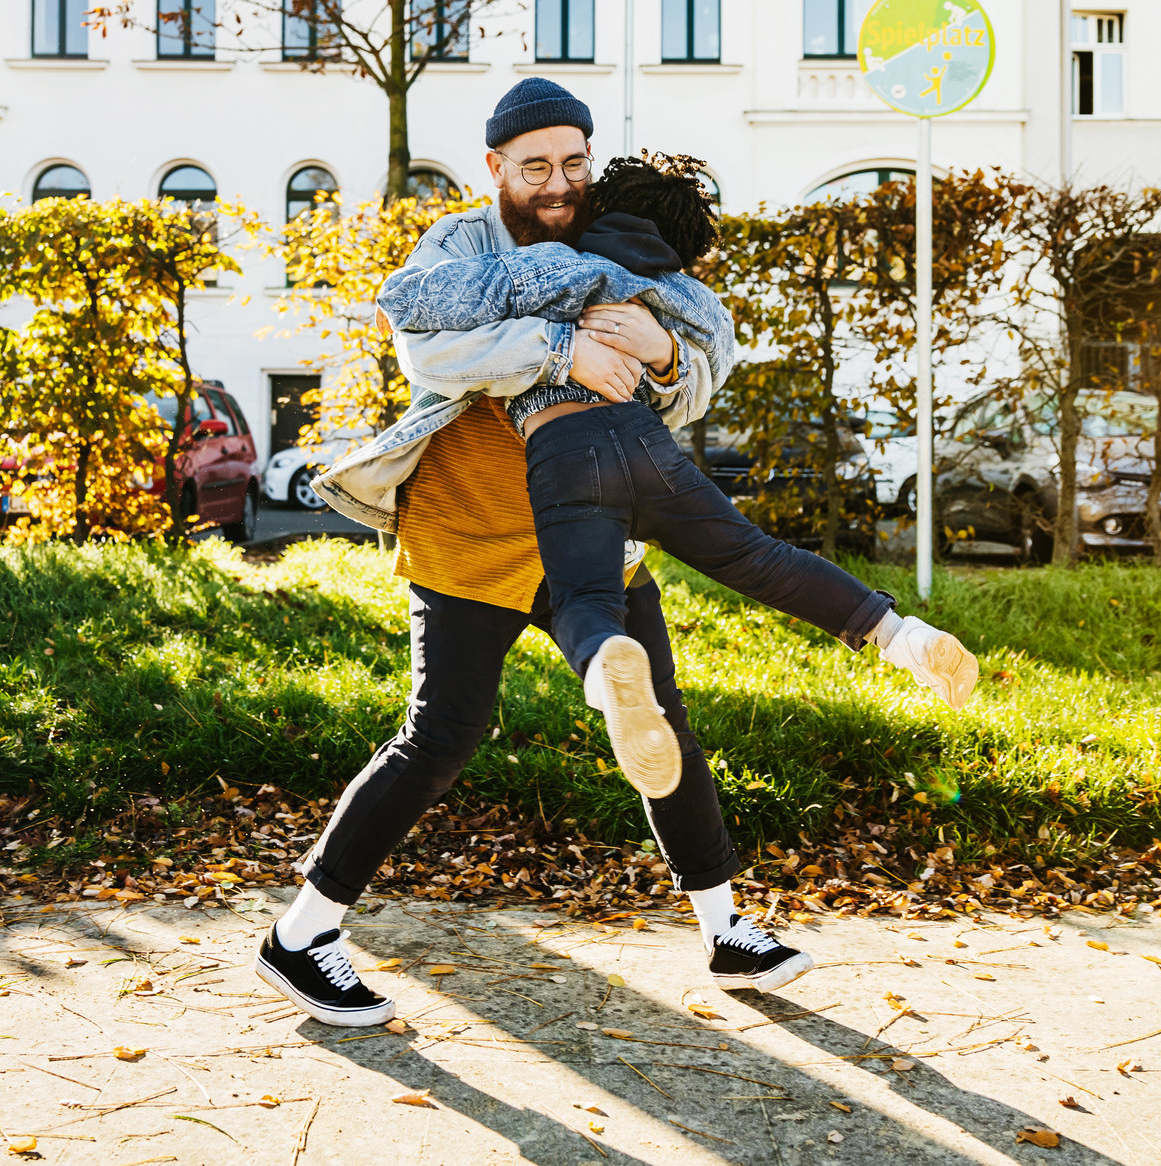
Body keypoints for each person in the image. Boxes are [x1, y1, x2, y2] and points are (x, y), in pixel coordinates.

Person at [249, 80, 945, 1027]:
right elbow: (427, 356)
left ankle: (725, 930)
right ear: (495, 167)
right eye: (534, 167)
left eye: (573, 162)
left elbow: (695, 375)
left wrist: (662, 353)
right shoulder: (461, 243)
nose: (558, 184)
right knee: (441, 740)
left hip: (588, 522)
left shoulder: (606, 225)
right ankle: (300, 937)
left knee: (660, 720)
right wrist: (557, 350)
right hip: (469, 531)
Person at [375, 150, 979, 800]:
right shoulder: (686, 294)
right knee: (755, 555)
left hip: (561, 454)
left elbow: (406, 301)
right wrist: (662, 348)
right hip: (641, 453)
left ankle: (611, 672)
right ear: (682, 247)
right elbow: (716, 350)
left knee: (581, 596)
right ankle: (902, 636)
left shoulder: (550, 264)